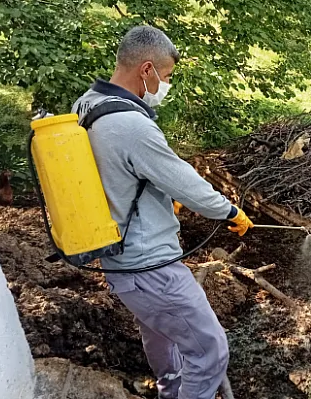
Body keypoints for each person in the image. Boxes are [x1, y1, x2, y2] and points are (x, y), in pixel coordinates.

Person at [71, 25, 254, 399]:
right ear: (146, 70)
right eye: (166, 76)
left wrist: (153, 197)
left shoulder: (87, 104)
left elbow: (114, 174)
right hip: (150, 265)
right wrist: (230, 211)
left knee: (158, 328)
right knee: (210, 348)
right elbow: (188, 184)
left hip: (119, 258)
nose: (165, 85)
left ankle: (170, 387)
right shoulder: (131, 125)